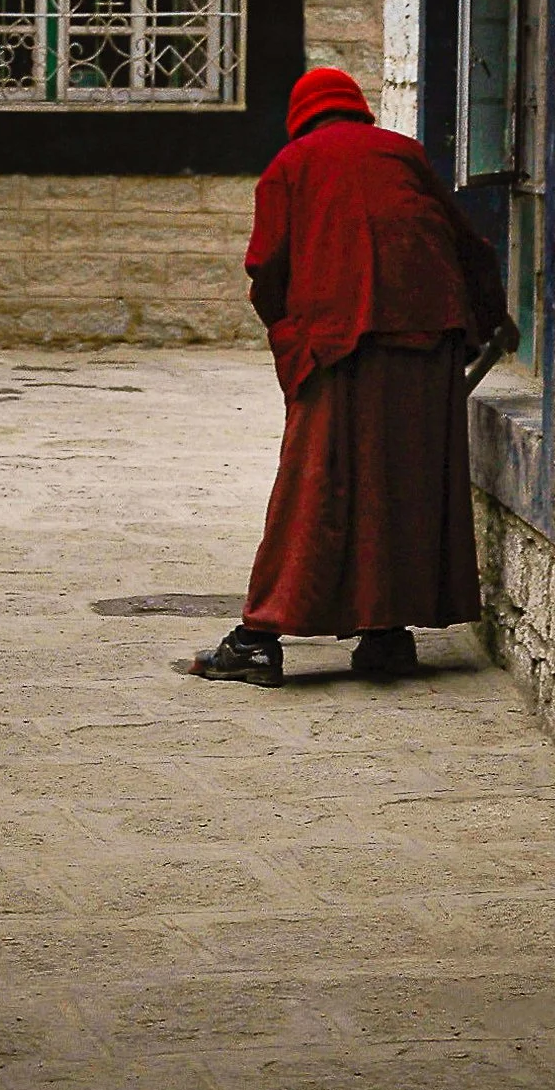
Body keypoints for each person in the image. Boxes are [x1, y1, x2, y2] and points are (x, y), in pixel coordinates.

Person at [190, 66, 518, 688]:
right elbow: (467, 242)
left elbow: (267, 269)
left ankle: (259, 638)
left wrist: (293, 337)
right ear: (357, 110)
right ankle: (386, 634)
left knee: (316, 487)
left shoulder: (291, 166)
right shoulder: (403, 153)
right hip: (430, 343)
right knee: (405, 486)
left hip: (340, 345)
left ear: (302, 116)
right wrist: (494, 319)